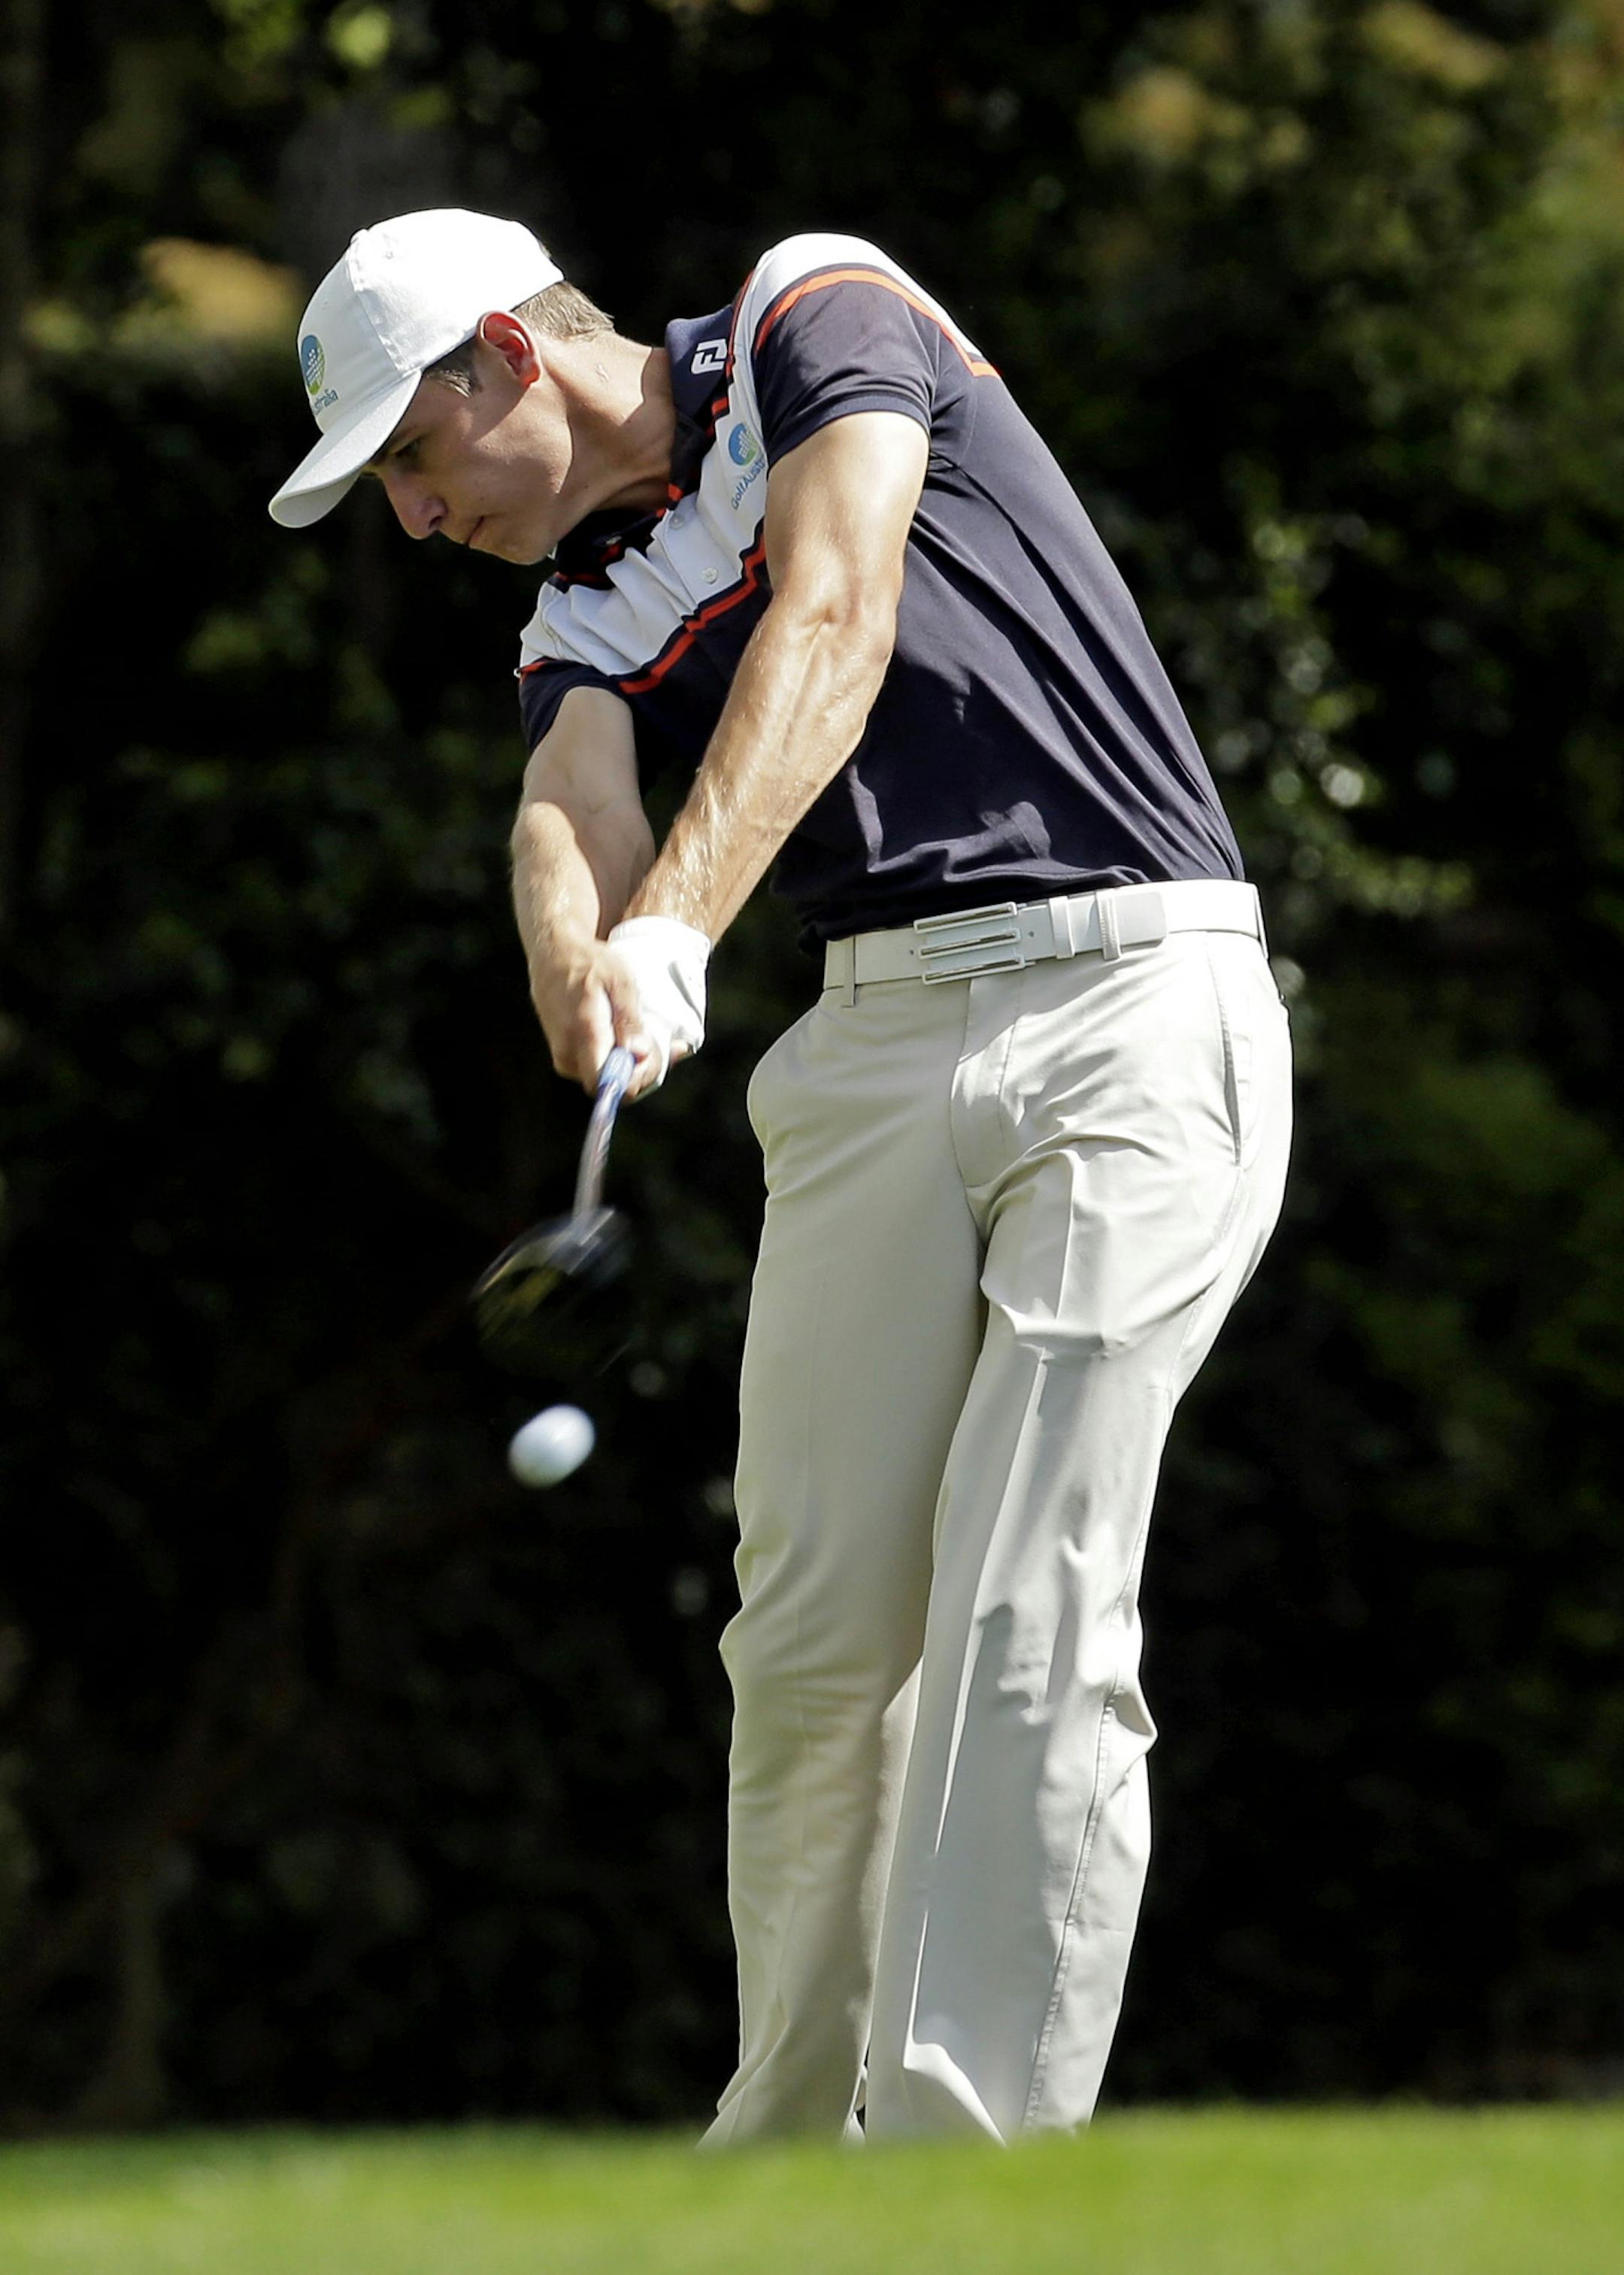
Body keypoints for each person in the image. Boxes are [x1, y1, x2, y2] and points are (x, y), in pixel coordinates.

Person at [269, 207, 1293, 2146]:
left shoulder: (810, 308)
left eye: (410, 457)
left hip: (1135, 995)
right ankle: (784, 2182)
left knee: (1031, 1604)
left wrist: (678, 921)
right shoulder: (577, 607)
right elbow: (565, 804)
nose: (410, 518)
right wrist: (588, 964)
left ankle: (960, 2179)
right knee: (815, 1640)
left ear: (507, 352)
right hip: (868, 1044)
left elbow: (837, 610)